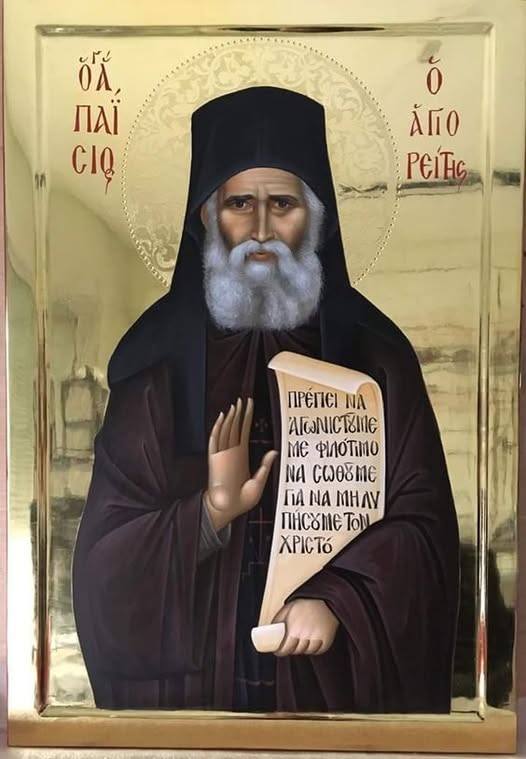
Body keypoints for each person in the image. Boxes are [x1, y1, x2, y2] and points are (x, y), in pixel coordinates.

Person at [72, 86, 459, 713]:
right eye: (239, 204)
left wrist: (338, 598)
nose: (259, 231)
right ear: (206, 218)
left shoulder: (379, 360)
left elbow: (424, 535)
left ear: (316, 218)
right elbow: (101, 568)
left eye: (282, 204)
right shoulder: (153, 368)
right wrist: (209, 514)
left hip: (329, 697)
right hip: (195, 704)